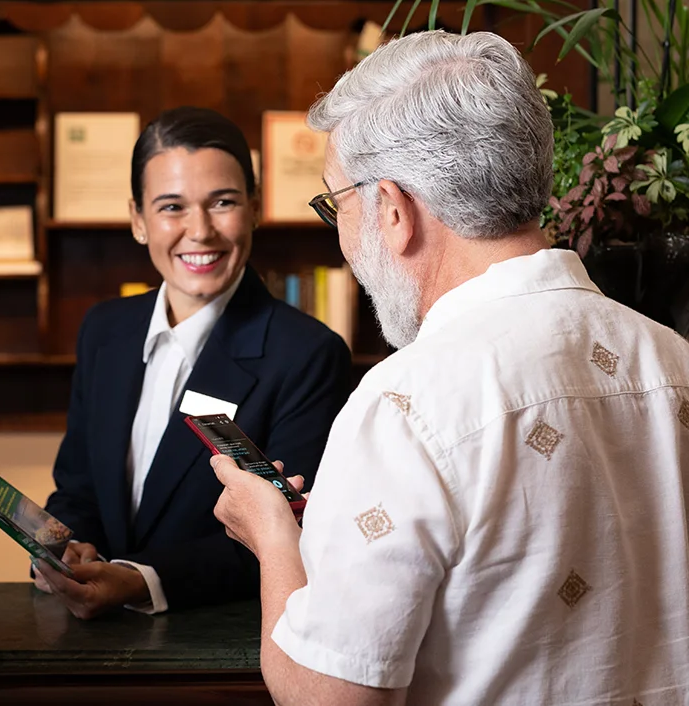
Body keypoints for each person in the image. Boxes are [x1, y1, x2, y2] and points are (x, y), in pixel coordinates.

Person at [211, 30, 689, 705]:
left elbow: (329, 697)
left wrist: (273, 537)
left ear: (393, 211)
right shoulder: (674, 359)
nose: (341, 233)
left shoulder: (405, 402)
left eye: (335, 204)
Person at [35, 106, 353, 619]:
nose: (200, 231)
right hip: (94, 634)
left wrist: (140, 580)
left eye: (222, 202)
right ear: (138, 220)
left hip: (223, 638)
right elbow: (78, 488)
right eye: (172, 207)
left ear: (254, 208)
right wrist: (64, 549)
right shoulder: (104, 331)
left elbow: (291, 530)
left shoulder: (309, 354)